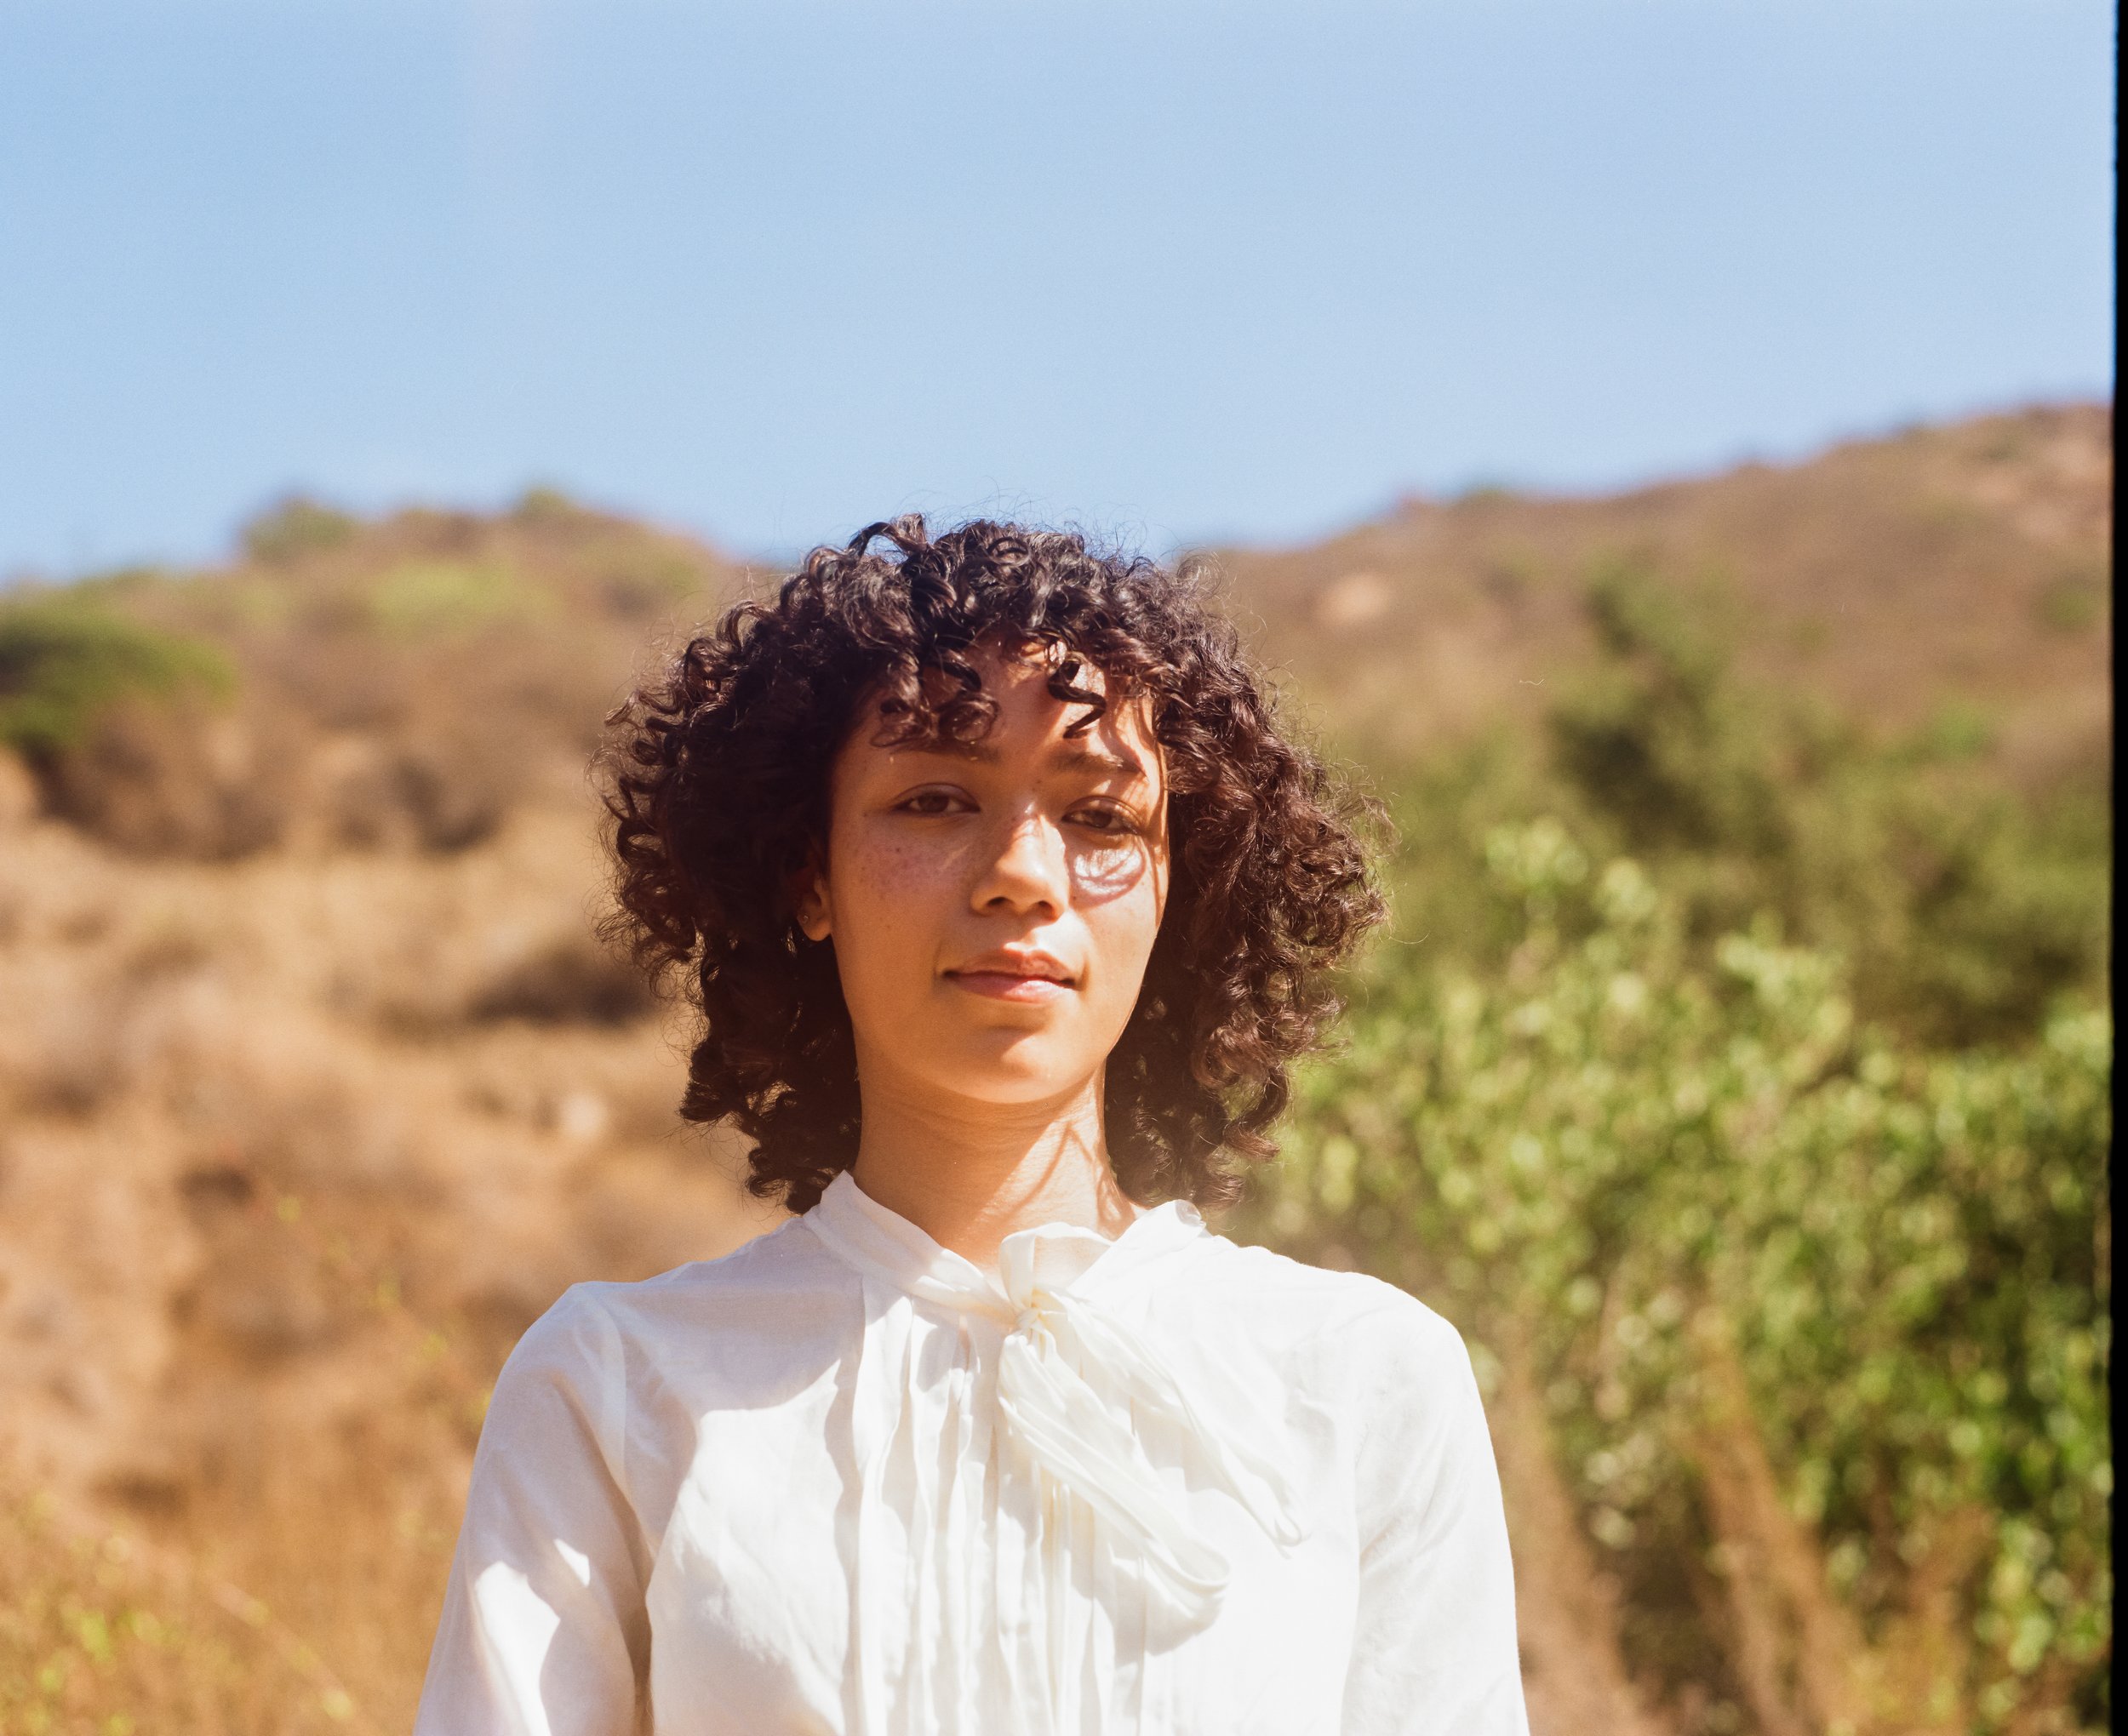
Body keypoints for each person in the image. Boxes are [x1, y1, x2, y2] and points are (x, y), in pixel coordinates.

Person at [412, 517, 1529, 1735]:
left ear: (1179, 887)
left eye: (1101, 818)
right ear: (811, 879)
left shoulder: (1362, 1383)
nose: (1021, 873)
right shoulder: (618, 1389)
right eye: (937, 799)